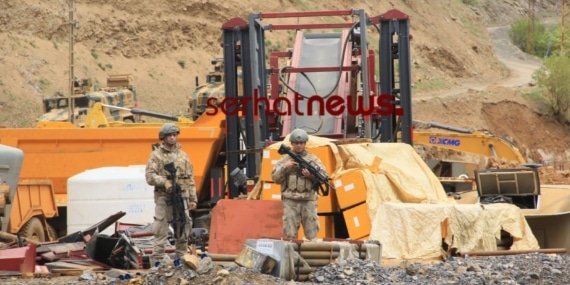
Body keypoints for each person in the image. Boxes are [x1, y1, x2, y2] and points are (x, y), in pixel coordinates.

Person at [145, 123, 197, 264]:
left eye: (175, 135)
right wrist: (164, 182)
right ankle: (158, 261)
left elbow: (190, 178)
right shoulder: (156, 155)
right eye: (169, 135)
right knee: (160, 229)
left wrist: (193, 199)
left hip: (182, 198)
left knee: (184, 228)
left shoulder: (183, 156)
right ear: (163, 138)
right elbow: (150, 176)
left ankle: (182, 259)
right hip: (164, 197)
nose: (173, 138)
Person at [271, 128, 327, 240]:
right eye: (296, 143)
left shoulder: (313, 160)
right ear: (291, 143)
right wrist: (285, 167)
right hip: (290, 200)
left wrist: (310, 176)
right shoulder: (285, 160)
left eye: (301, 143)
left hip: (308, 200)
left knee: (312, 234)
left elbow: (323, 177)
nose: (299, 146)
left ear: (305, 143)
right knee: (289, 235)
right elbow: (275, 178)